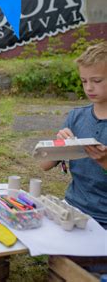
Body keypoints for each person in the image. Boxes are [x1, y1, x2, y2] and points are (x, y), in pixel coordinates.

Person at [40, 42, 107, 229]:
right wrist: (60, 146)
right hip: (73, 209)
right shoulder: (77, 116)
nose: (89, 88)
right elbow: (44, 165)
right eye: (84, 81)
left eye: (97, 80)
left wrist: (105, 161)